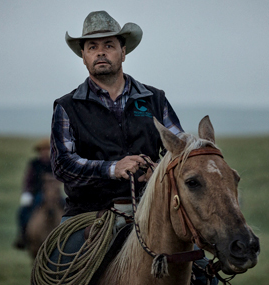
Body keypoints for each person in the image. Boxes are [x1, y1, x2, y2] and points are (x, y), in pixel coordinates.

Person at [49, 11, 215, 284]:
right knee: (58, 269)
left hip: (153, 211)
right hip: (89, 213)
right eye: (92, 47)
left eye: (109, 46)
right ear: (83, 56)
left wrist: (157, 169)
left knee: (203, 273)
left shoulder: (154, 99)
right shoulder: (68, 106)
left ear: (123, 52)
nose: (101, 53)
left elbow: (180, 150)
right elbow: (63, 164)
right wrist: (112, 169)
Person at [13, 139, 54, 250]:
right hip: (38, 193)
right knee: (23, 212)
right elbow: (28, 180)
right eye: (43, 149)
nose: (45, 151)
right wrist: (28, 192)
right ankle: (22, 235)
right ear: (39, 151)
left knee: (67, 207)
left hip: (53, 193)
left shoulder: (53, 164)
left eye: (47, 149)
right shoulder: (34, 164)